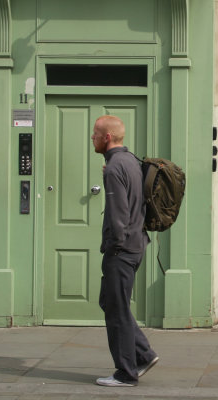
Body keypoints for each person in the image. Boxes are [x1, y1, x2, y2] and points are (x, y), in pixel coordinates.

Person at [91, 115, 159, 387]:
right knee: (111, 303)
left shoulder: (115, 167)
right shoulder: (130, 160)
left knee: (116, 310)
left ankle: (126, 373)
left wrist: (114, 245)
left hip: (122, 249)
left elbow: (118, 212)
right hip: (136, 244)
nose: (92, 138)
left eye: (95, 133)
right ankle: (143, 354)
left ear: (107, 137)